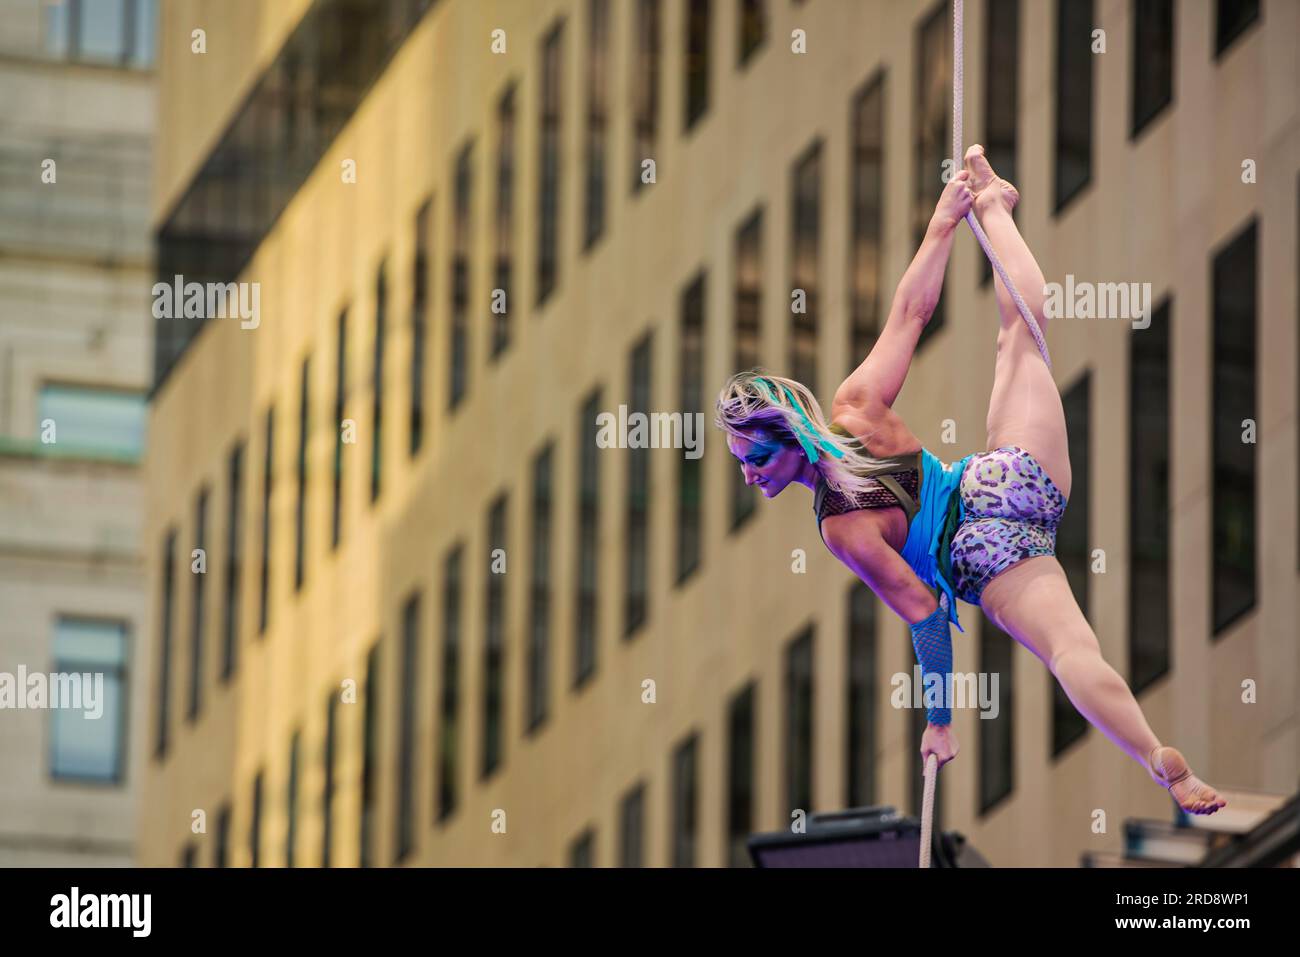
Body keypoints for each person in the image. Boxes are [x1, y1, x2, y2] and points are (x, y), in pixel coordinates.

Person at [714, 145, 1224, 816]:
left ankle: (1161, 761)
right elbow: (910, 315)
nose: (749, 477)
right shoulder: (854, 406)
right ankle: (992, 205)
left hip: (979, 556)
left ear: (787, 442)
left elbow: (925, 613)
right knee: (1021, 330)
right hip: (1003, 480)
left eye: (754, 460)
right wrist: (944, 223)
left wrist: (940, 717)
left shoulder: (842, 525)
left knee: (1070, 650)